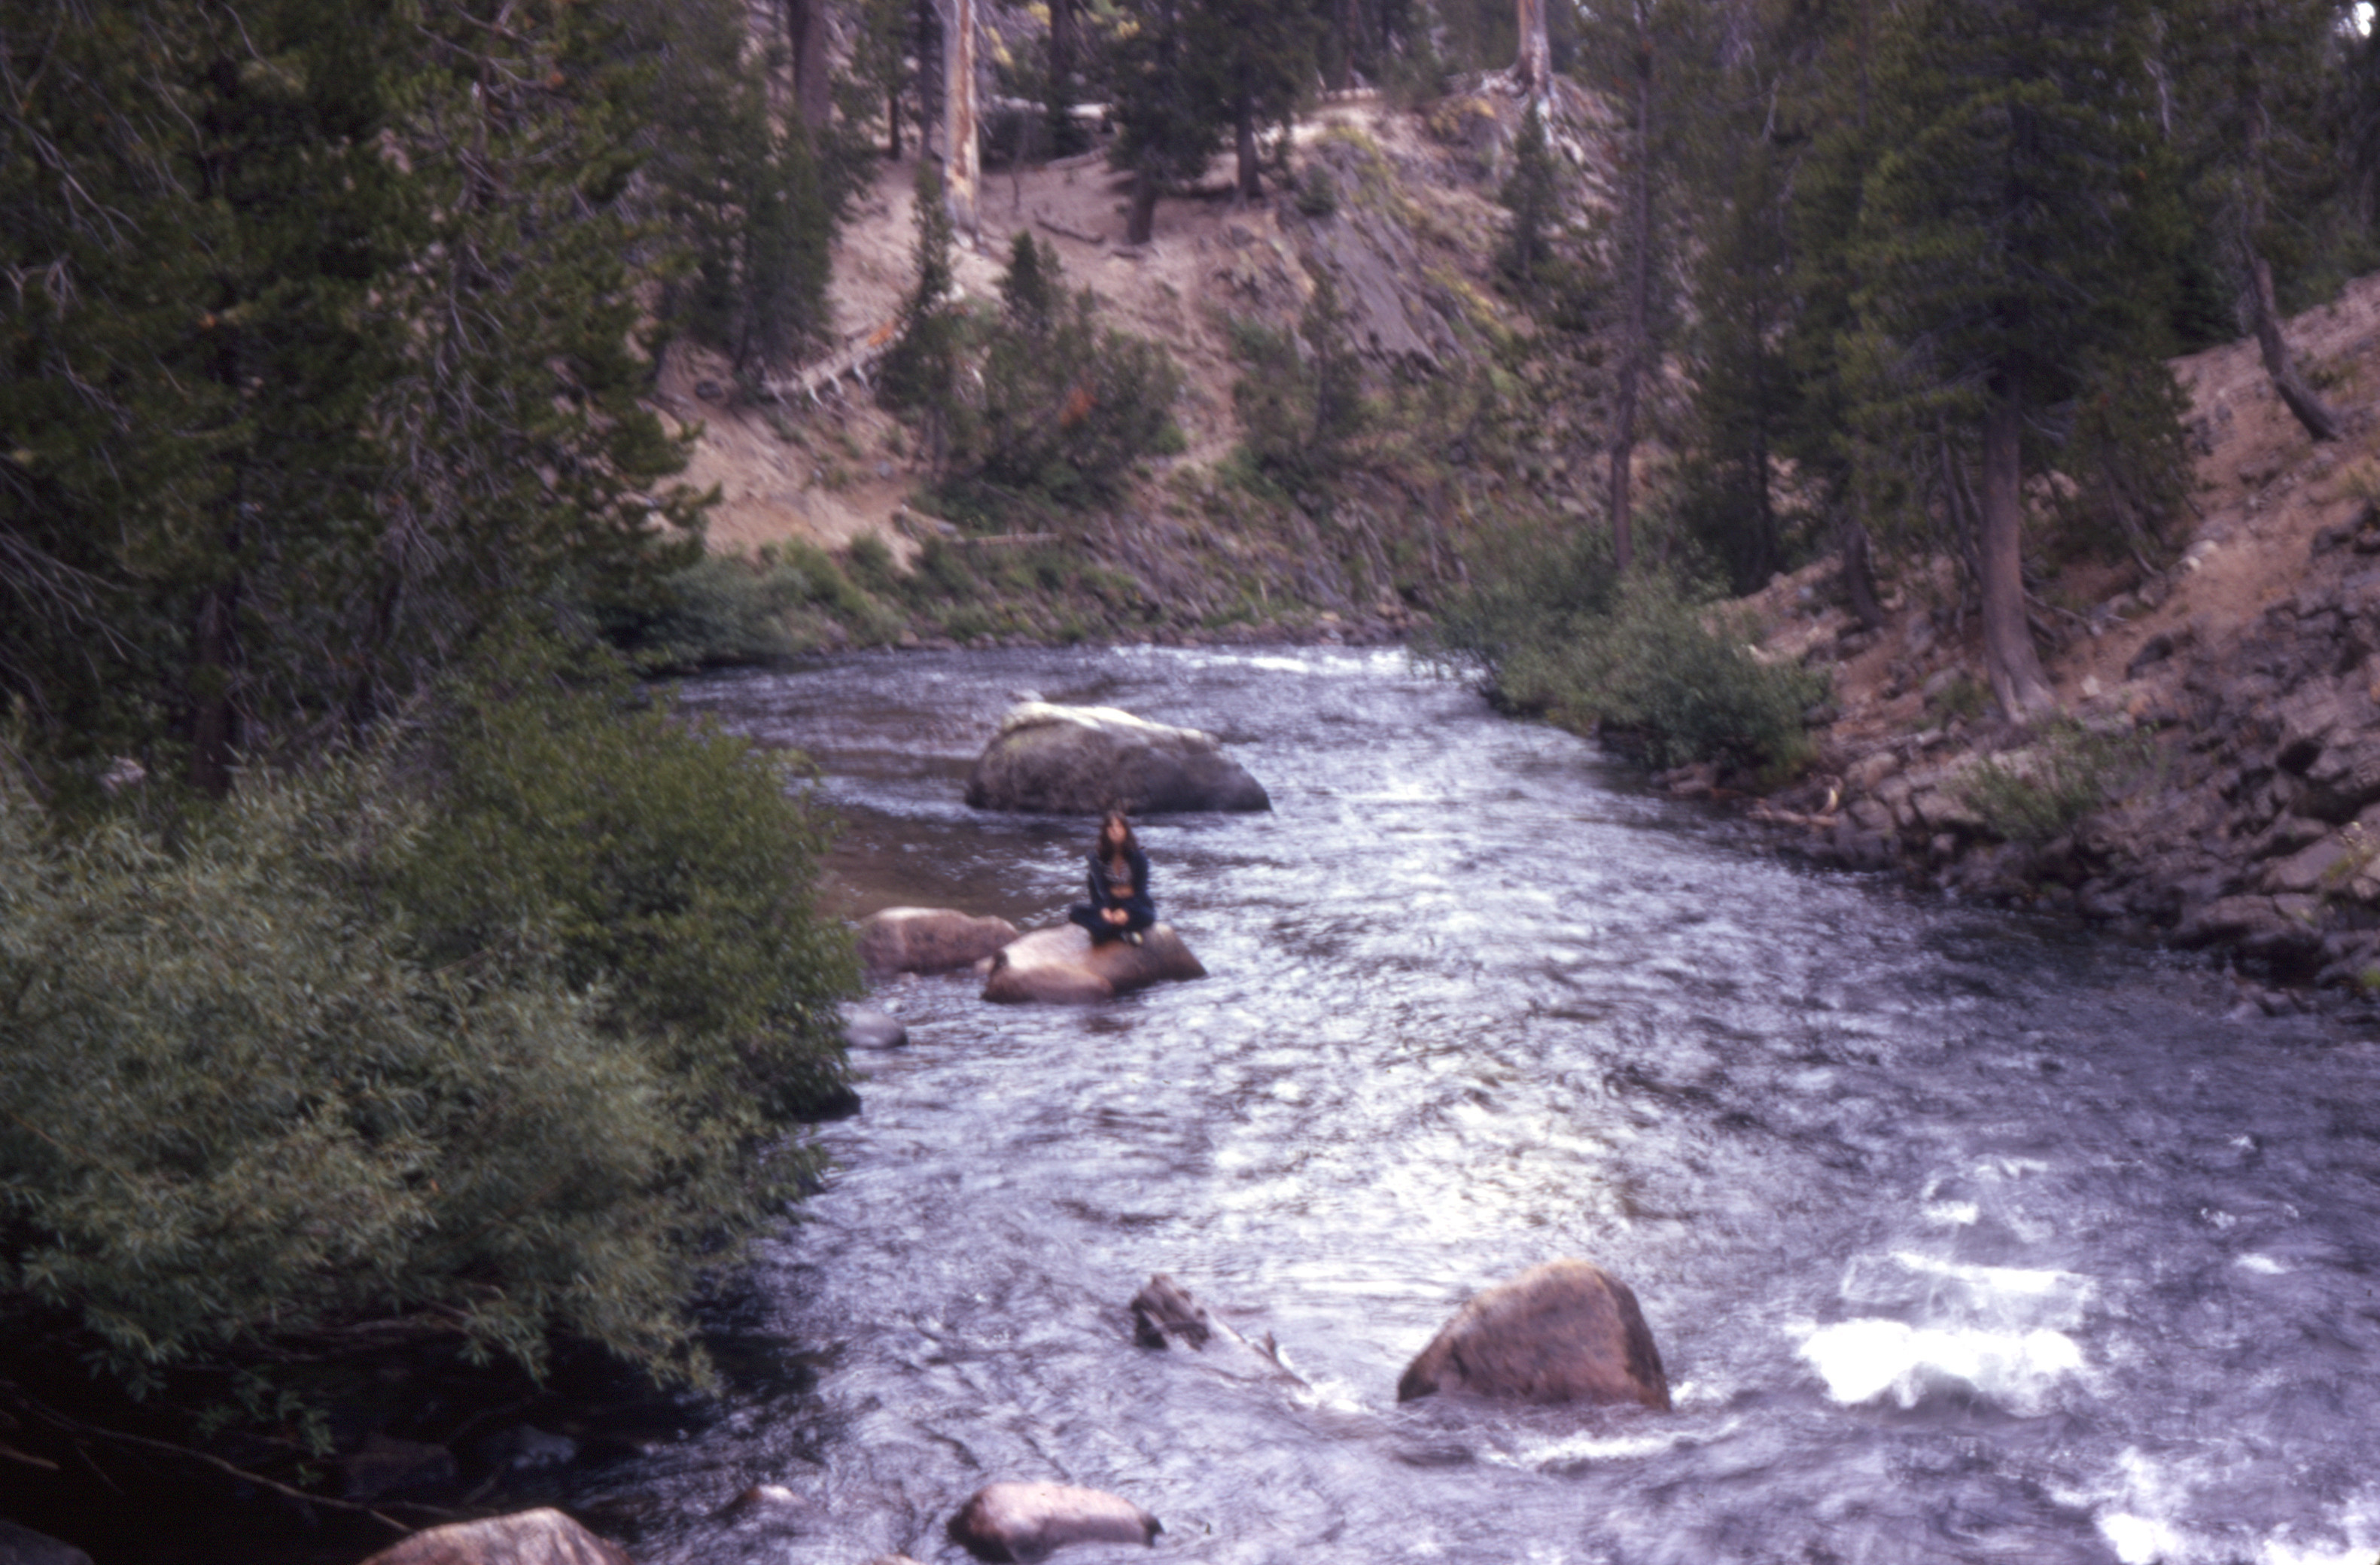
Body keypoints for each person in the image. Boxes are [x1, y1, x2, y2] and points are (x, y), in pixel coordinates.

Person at [1068, 808, 1155, 946]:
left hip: (1134, 906)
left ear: (1126, 830)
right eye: (1111, 827)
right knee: (1074, 912)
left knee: (1148, 916)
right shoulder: (1097, 859)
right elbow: (1095, 892)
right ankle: (1124, 931)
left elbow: (1141, 891)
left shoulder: (1139, 857)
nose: (1115, 830)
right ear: (1106, 831)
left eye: (1119, 826)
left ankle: (1108, 932)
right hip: (1111, 905)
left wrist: (1126, 911)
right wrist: (1103, 909)